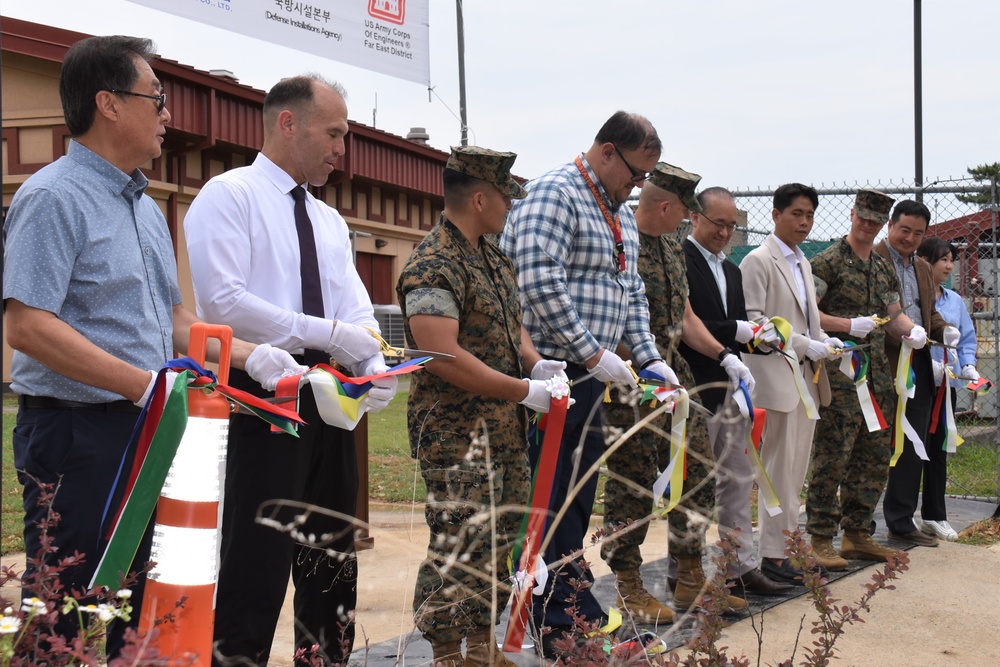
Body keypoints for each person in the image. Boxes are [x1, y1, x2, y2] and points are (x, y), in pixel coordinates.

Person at [3, 35, 303, 657]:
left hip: (147, 426)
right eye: (157, 99)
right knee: (65, 613)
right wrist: (140, 384)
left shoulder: (143, 208)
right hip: (76, 436)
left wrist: (250, 356)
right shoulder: (52, 198)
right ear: (108, 104)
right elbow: (27, 324)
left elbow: (169, 318)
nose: (169, 115)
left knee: (137, 609)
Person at [184, 74, 398, 666]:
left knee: (330, 556)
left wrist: (372, 363)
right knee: (256, 559)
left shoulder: (328, 220)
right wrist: (328, 334)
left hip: (331, 402)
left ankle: (326, 658)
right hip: (261, 398)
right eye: (333, 133)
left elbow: (355, 305)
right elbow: (223, 303)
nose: (341, 148)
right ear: (288, 123)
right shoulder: (229, 196)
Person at [500, 111, 676, 657]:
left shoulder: (617, 212)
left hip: (587, 375)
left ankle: (568, 603)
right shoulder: (557, 194)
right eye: (636, 171)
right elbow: (536, 278)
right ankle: (552, 614)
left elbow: (631, 293)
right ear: (605, 152)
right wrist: (592, 353)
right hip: (548, 372)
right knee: (550, 493)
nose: (639, 184)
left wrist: (647, 357)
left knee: (576, 492)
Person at [397, 146, 564, 667]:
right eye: (506, 199)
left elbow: (512, 326)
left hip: (502, 430)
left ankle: (480, 644)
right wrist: (522, 391)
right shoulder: (433, 264)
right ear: (478, 198)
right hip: (455, 433)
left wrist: (535, 364)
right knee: (460, 538)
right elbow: (440, 354)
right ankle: (448, 650)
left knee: (497, 536)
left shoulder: (493, 257)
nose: (510, 208)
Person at [600, 165, 753, 619]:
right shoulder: (617, 244)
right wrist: (647, 362)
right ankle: (629, 588)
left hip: (676, 376)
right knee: (634, 483)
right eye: (686, 213)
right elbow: (608, 320)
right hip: (633, 381)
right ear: (667, 207)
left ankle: (689, 577)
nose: (689, 223)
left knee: (698, 473)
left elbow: (685, 317)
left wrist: (724, 353)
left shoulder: (669, 246)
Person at [679, 187, 791, 595]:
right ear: (695, 218)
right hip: (692, 386)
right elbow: (689, 322)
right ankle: (683, 567)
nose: (725, 233)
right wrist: (735, 333)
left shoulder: (731, 271)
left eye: (732, 226)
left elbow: (737, 325)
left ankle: (738, 565)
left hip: (731, 387)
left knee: (739, 478)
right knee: (692, 483)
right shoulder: (680, 261)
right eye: (717, 223)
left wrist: (759, 338)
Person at [807, 189, 922, 563]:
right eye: (863, 219)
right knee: (833, 456)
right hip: (840, 375)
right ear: (853, 213)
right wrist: (846, 324)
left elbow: (891, 312)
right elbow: (808, 315)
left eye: (875, 223)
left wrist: (910, 330)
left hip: (877, 376)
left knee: (873, 457)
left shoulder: (881, 264)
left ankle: (857, 533)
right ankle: (820, 538)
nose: (868, 227)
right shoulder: (828, 262)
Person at [740, 183, 842, 580]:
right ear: (776, 214)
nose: (804, 222)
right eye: (796, 214)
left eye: (809, 215)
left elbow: (806, 314)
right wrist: (803, 343)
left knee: (795, 469)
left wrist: (822, 341)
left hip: (806, 379)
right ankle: (772, 554)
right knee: (776, 470)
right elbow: (755, 320)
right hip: (777, 380)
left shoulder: (803, 261)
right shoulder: (758, 260)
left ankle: (787, 548)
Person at [876, 200, 951, 547]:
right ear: (890, 225)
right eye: (904, 229)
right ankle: (857, 523)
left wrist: (942, 330)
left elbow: (928, 312)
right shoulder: (872, 258)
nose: (909, 238)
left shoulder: (922, 266)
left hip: (919, 363)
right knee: (874, 444)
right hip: (882, 363)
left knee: (913, 443)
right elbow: (873, 314)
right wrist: (903, 332)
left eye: (918, 233)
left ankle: (901, 520)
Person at [916, 237, 979, 541]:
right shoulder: (914, 297)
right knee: (910, 449)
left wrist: (967, 364)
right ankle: (898, 513)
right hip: (916, 385)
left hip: (946, 386)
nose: (949, 265)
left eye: (951, 259)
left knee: (939, 448)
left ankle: (934, 515)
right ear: (924, 262)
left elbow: (966, 338)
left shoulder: (954, 300)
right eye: (943, 259)